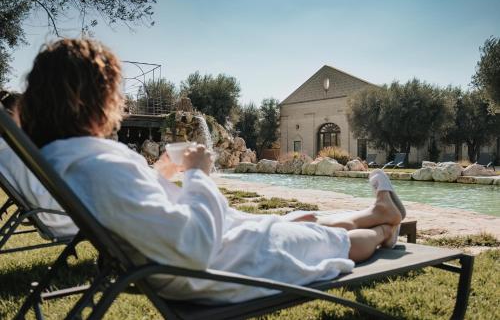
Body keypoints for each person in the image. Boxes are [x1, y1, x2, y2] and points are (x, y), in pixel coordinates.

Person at [20, 38, 403, 304]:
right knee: (336, 244)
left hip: (198, 256)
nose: (119, 100)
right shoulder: (97, 165)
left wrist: (161, 172)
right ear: (92, 99)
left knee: (303, 218)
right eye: (114, 92)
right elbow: (192, 246)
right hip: (218, 269)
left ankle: (377, 212)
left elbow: (138, 209)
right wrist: (198, 174)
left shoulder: (71, 160)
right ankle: (385, 230)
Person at [0, 90, 77, 237]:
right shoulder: (14, 149)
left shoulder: (8, 149)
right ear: (11, 115)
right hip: (63, 220)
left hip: (53, 216)